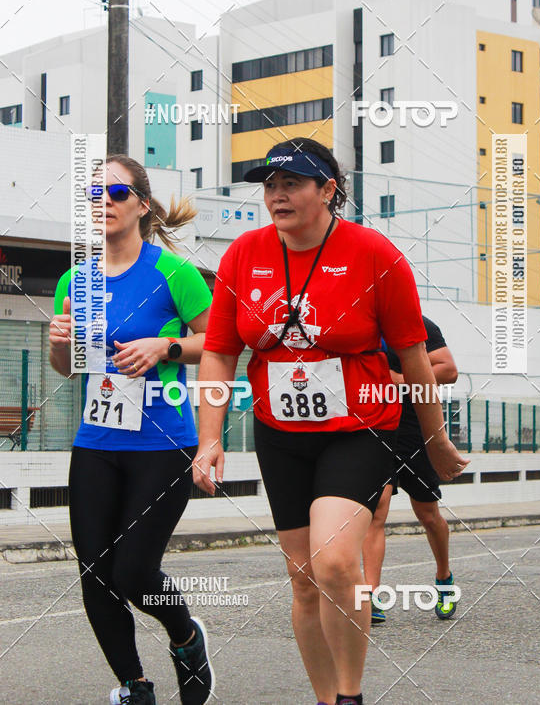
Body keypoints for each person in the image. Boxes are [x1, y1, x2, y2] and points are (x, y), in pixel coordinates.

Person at [193, 138, 469, 705]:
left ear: (328, 190)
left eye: (292, 183)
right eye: (269, 185)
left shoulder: (374, 254)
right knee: (302, 577)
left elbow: (416, 357)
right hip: (281, 434)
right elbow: (220, 352)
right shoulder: (243, 255)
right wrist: (210, 439)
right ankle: (325, 699)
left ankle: (350, 696)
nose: (277, 195)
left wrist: (437, 442)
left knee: (337, 560)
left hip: (361, 429)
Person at [49, 154, 214, 705]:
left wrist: (163, 346)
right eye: (93, 195)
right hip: (96, 441)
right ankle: (133, 685)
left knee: (134, 572)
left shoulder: (174, 273)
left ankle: (186, 639)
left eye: (115, 193)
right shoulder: (76, 279)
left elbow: (216, 346)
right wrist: (57, 347)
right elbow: (69, 366)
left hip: (162, 443)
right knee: (94, 573)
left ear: (142, 206)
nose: (103, 204)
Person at [363, 317, 459, 623]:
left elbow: (449, 370)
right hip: (374, 428)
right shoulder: (362, 323)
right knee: (376, 511)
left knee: (428, 515)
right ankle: (370, 596)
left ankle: (444, 579)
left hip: (415, 431)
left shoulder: (419, 324)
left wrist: (399, 378)